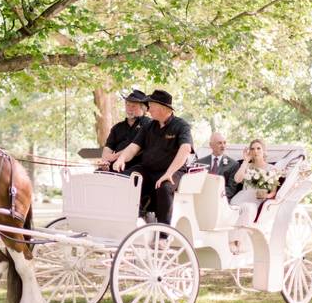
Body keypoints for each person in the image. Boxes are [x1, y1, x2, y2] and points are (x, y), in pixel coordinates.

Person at [111, 89, 193, 225]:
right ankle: (130, 220)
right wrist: (121, 159)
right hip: (147, 169)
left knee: (164, 187)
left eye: (151, 106)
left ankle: (163, 233)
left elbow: (186, 149)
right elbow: (133, 147)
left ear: (162, 108)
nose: (148, 110)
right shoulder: (148, 126)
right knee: (125, 178)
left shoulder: (181, 126)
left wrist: (169, 173)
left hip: (172, 170)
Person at [229, 139, 278, 252]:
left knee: (248, 208)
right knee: (234, 207)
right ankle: (232, 241)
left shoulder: (271, 169)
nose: (255, 151)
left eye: (258, 148)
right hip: (242, 196)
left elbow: (273, 192)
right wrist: (245, 161)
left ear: (264, 150)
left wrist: (266, 196)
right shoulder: (247, 166)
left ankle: (237, 241)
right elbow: (237, 179)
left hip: (257, 199)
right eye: (252, 149)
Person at [100, 89, 152, 168]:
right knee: (97, 174)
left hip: (137, 166)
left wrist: (114, 157)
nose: (129, 109)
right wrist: (105, 161)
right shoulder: (117, 127)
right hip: (115, 165)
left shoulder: (148, 124)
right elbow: (108, 147)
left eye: (133, 106)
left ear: (143, 108)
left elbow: (138, 148)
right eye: (127, 105)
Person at [194, 132, 241, 199]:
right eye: (219, 143)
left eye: (224, 143)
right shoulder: (199, 163)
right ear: (211, 145)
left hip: (221, 198)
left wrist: (213, 193)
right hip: (201, 196)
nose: (223, 146)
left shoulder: (233, 164)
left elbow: (231, 189)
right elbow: (195, 183)